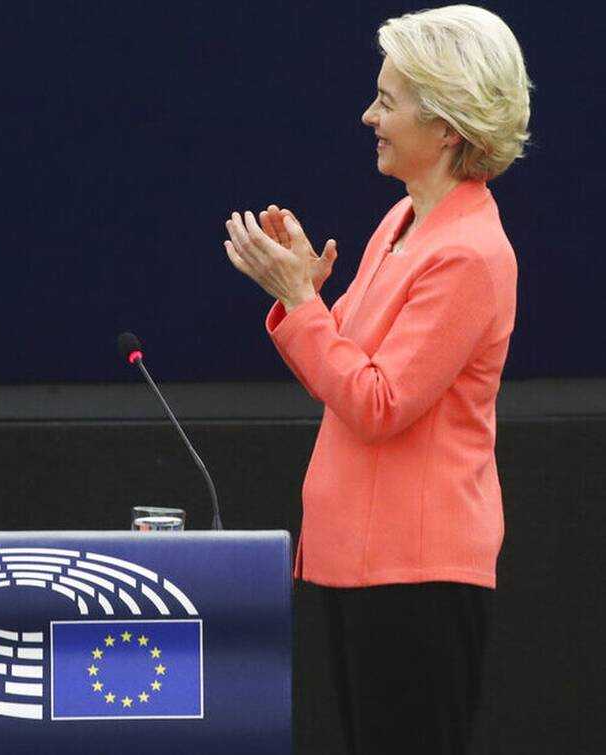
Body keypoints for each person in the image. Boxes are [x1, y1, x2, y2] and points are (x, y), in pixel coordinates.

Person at [221, 5, 532, 754]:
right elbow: (340, 373)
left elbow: (378, 403)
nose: (369, 116)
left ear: (447, 125)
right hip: (355, 560)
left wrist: (302, 303)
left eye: (387, 101)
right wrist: (303, 292)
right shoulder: (401, 223)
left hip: (415, 573)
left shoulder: (468, 254)